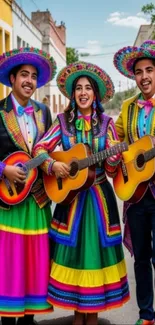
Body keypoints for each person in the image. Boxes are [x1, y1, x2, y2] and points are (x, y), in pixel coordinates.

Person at [33, 61, 130, 325]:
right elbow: (40, 148)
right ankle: (78, 317)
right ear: (72, 94)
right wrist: (54, 165)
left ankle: (92, 316)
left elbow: (111, 169)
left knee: (95, 258)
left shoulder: (107, 124)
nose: (83, 92)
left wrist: (114, 156)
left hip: (98, 199)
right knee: (73, 257)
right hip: (70, 201)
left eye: (88, 88)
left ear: (95, 94)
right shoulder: (62, 122)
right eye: (78, 88)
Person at [0, 47, 57, 325]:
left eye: (34, 76)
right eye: (24, 75)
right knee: (9, 264)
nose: (29, 81)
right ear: (12, 79)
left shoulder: (44, 112)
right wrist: (4, 169)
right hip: (7, 203)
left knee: (35, 262)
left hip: (36, 200)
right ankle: (6, 319)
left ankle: (29, 319)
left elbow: (47, 150)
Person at [113, 40, 155, 325]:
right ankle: (146, 315)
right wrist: (119, 155)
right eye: (139, 72)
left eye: (150, 69)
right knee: (141, 258)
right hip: (137, 194)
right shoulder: (127, 108)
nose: (144, 76)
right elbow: (115, 139)